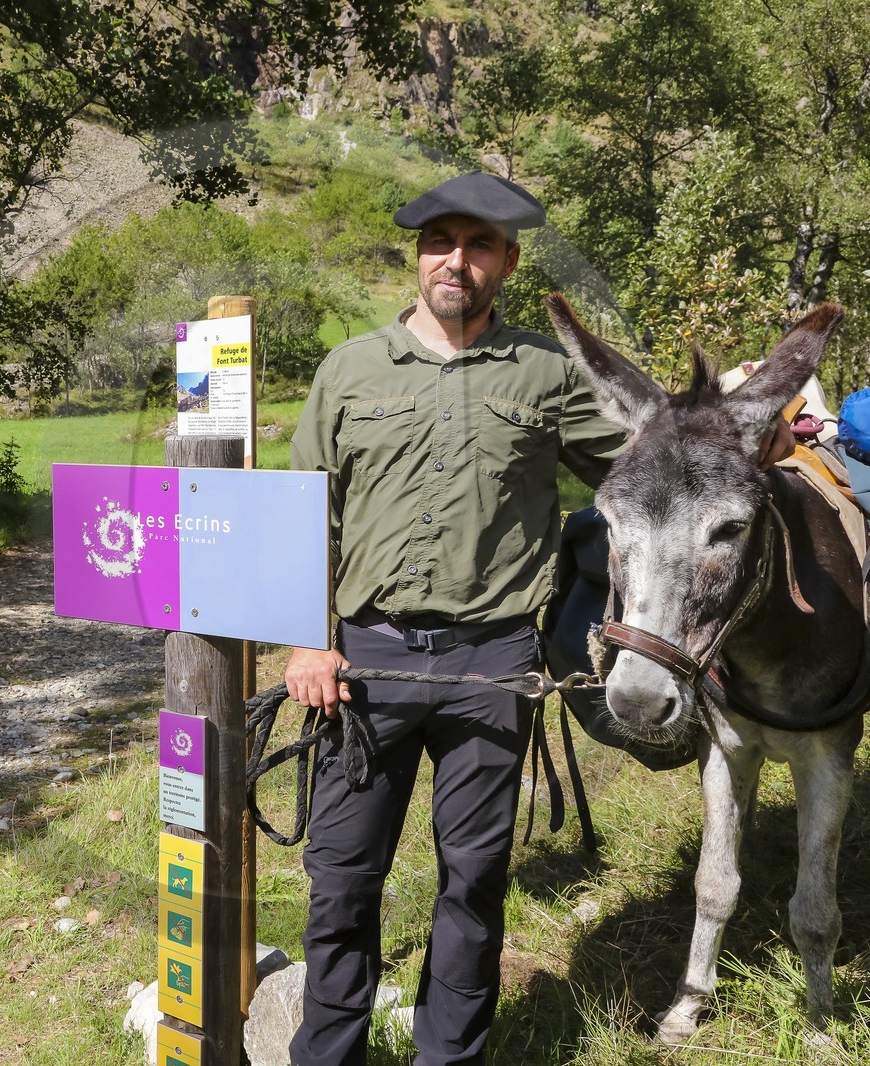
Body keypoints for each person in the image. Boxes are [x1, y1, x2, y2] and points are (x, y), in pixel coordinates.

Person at [282, 172, 628, 1066]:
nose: (456, 261)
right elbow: (301, 517)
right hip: (363, 662)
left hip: (493, 662)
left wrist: (754, 430)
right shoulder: (349, 369)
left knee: (473, 882)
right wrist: (309, 641)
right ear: (418, 253)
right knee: (343, 881)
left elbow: (641, 467)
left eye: (479, 246)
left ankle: (452, 1057)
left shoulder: (549, 376)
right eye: (442, 242)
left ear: (507, 262)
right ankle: (328, 1054)